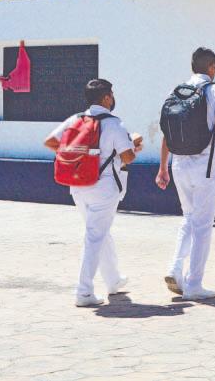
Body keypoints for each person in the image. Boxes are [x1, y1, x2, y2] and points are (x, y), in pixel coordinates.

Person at [44, 79, 143, 307]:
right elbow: (128, 157)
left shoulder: (75, 119)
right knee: (95, 236)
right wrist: (133, 145)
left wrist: (75, 157)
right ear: (106, 98)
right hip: (104, 188)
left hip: (78, 186)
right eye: (112, 95)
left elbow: (50, 142)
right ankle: (84, 291)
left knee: (99, 232)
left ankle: (113, 280)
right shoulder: (114, 124)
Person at [156, 47, 215, 300]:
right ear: (212, 67)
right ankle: (194, 284)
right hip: (206, 166)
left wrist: (163, 167)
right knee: (203, 226)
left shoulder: (176, 92)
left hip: (179, 165)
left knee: (189, 218)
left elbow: (167, 132)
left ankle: (175, 268)